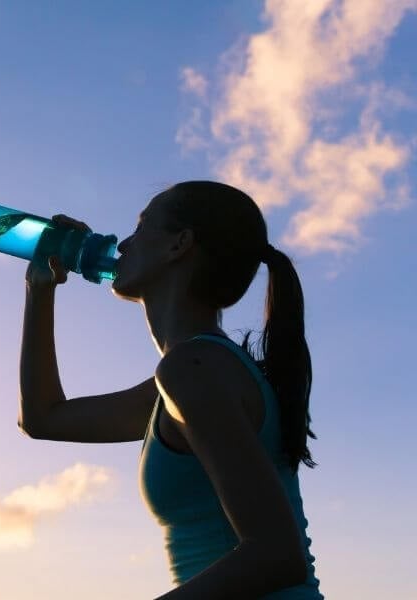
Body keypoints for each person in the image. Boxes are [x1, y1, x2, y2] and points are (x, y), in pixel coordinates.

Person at [18, 181, 323, 599]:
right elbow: (43, 418)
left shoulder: (194, 371)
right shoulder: (190, 374)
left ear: (179, 245)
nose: (123, 244)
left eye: (141, 228)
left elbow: (276, 555)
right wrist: (40, 288)